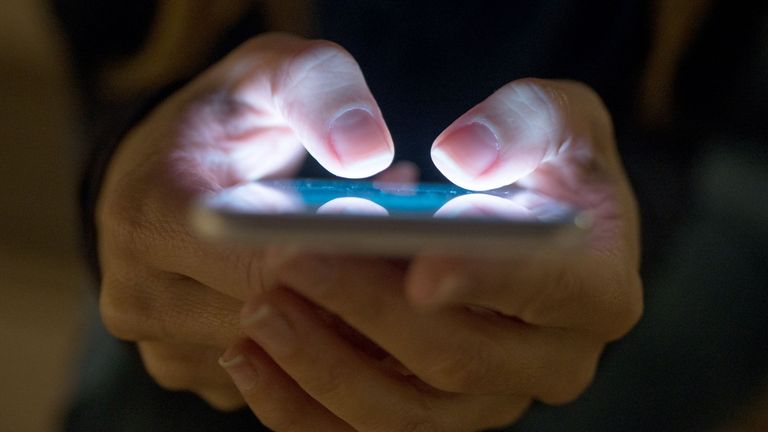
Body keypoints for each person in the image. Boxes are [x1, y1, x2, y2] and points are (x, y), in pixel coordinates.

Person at [56, 1, 768, 431]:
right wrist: (127, 177)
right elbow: (123, 67)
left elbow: (708, 118)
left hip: (701, 185)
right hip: (228, 239)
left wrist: (617, 240)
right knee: (162, 394)